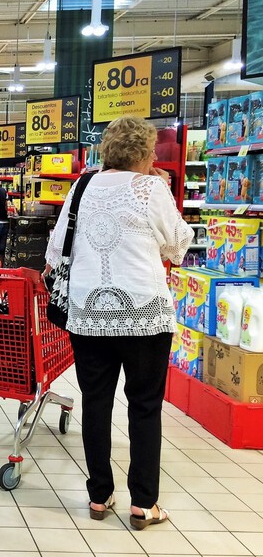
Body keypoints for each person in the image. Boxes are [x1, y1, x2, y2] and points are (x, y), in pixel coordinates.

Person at [44, 115, 193, 531]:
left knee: (96, 404)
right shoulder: (152, 188)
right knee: (145, 407)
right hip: (145, 315)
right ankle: (144, 504)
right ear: (146, 155)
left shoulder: (82, 186)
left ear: (107, 151)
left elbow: (56, 252)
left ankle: (99, 495)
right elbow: (179, 247)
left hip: (89, 314)